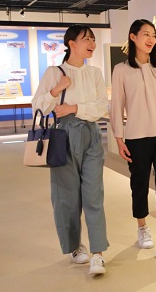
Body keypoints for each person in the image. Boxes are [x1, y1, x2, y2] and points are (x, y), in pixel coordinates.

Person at [32, 24, 109, 276]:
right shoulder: (55, 72)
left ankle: (98, 253)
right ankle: (76, 247)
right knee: (66, 196)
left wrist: (74, 107)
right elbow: (39, 107)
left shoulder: (96, 73)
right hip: (63, 136)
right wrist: (57, 90)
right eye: (86, 39)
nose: (92, 44)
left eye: (93, 39)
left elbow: (101, 108)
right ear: (71, 44)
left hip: (91, 135)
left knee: (93, 194)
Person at [110, 19, 156, 264]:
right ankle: (142, 226)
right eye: (145, 34)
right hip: (136, 137)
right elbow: (117, 106)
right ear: (132, 37)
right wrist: (119, 138)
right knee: (139, 185)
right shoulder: (121, 70)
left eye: (153, 35)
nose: (151, 39)